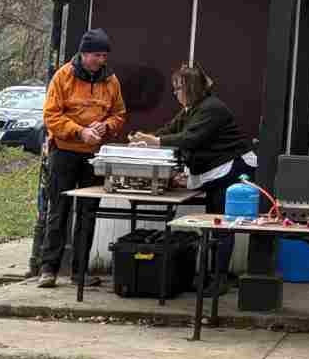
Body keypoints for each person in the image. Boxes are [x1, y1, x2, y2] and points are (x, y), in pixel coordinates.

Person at [38, 28, 127, 289]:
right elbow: (51, 116)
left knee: (88, 213)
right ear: (84, 54)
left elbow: (119, 114)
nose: (102, 60)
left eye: (105, 55)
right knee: (58, 210)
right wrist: (80, 131)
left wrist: (106, 126)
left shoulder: (111, 81)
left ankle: (80, 272)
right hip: (64, 152)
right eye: (98, 55)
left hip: (93, 156)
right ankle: (48, 269)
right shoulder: (63, 76)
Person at [131, 64, 255, 213]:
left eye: (178, 89)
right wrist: (145, 140)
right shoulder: (190, 109)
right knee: (214, 216)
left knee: (222, 218)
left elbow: (189, 139)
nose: (175, 93)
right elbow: (169, 129)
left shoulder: (212, 107)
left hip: (231, 171)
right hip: (217, 172)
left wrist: (155, 141)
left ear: (191, 88)